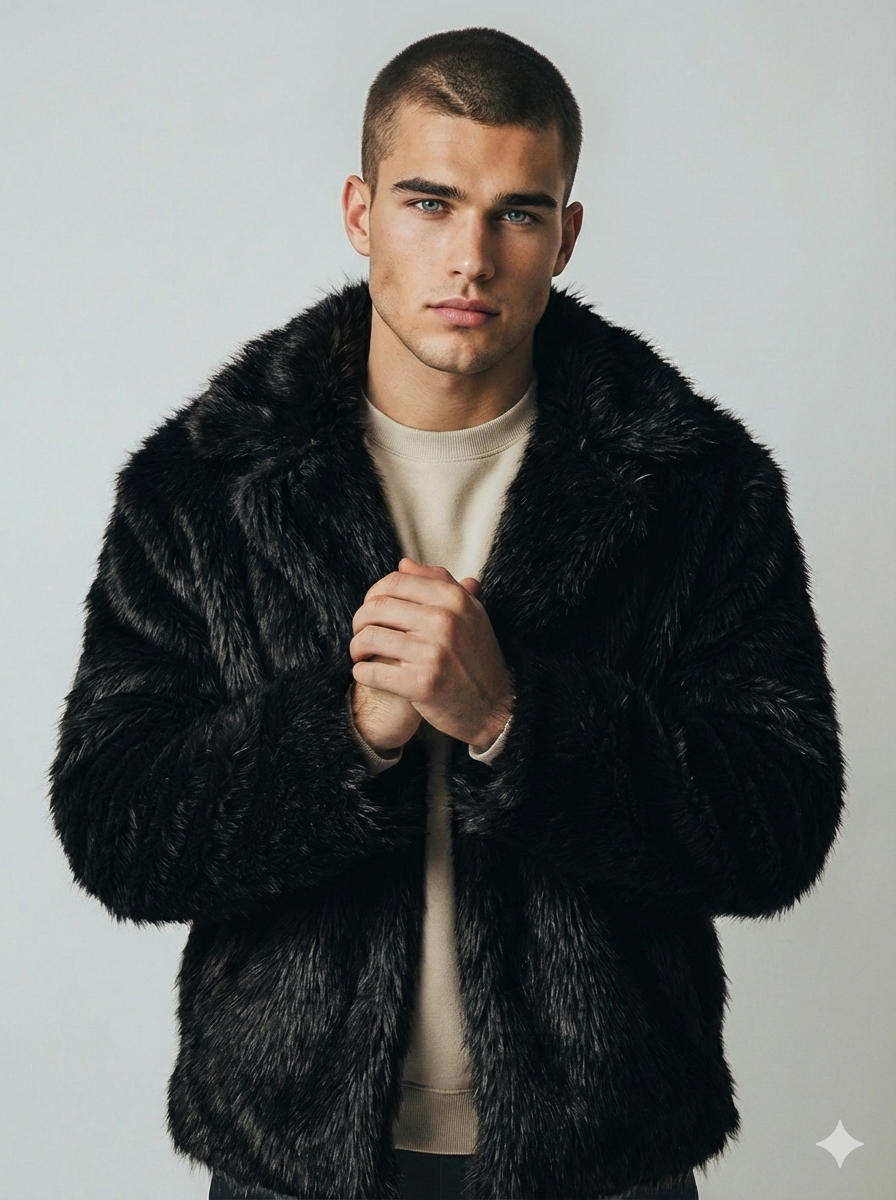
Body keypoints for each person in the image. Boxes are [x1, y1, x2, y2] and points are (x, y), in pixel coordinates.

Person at [48, 26, 845, 1200]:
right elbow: (116, 833)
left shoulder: (692, 486)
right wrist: (343, 732)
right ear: (360, 212)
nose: (469, 257)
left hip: (600, 1160)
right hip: (293, 1156)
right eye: (429, 202)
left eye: (516, 213)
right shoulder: (206, 485)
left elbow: (777, 829)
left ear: (564, 236)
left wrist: (515, 722)